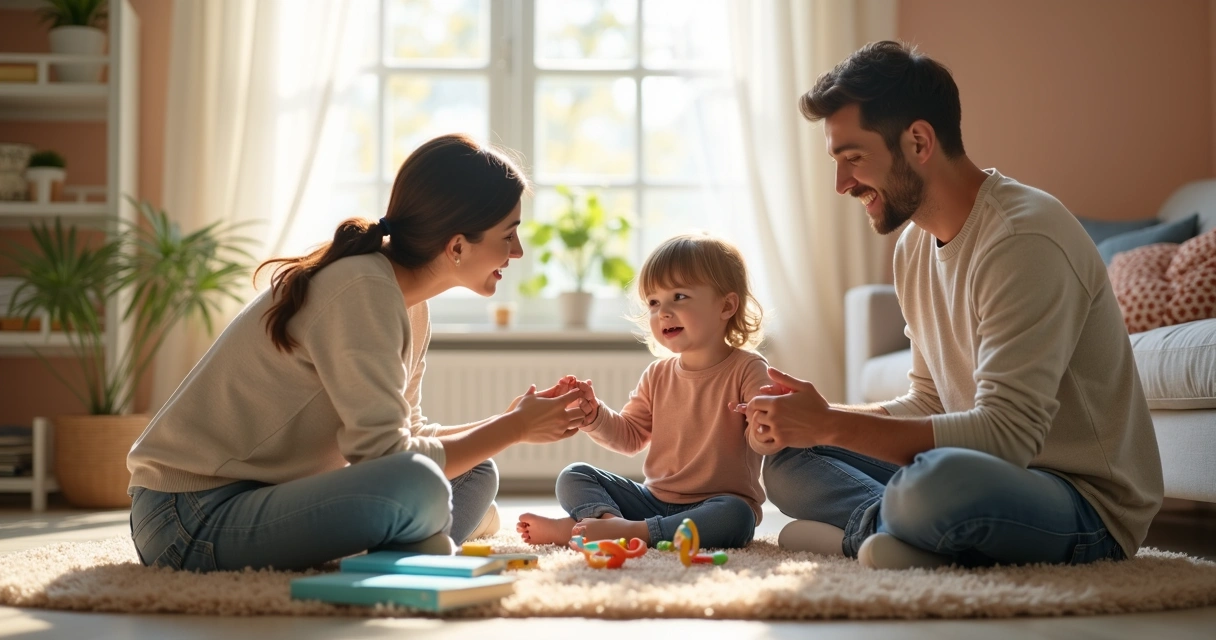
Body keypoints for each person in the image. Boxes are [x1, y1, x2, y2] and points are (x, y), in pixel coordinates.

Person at [741, 41, 1163, 569]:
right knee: (788, 458)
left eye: (853, 158)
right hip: (977, 472)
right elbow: (929, 402)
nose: (842, 184)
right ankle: (895, 537)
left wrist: (831, 425)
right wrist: (814, 420)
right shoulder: (913, 246)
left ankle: (875, 532)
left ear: (918, 141)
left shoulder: (1022, 237)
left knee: (935, 484)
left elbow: (1007, 437)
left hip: (1081, 502)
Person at [127, 134, 587, 572]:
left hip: (260, 497)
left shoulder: (409, 304)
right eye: (508, 235)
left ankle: (416, 542)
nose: (517, 251)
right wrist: (513, 427)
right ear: (457, 245)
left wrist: (509, 422)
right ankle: (419, 546)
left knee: (475, 472)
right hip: (188, 516)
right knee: (421, 484)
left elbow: (407, 433)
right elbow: (387, 457)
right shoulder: (362, 287)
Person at [515, 234, 770, 549]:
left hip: (715, 505)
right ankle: (609, 524)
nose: (663, 312)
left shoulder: (749, 368)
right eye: (653, 302)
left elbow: (763, 438)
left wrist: (764, 428)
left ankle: (614, 531)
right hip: (652, 500)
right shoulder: (657, 374)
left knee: (738, 516)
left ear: (726, 306)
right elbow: (629, 437)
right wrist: (595, 417)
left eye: (679, 296)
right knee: (575, 475)